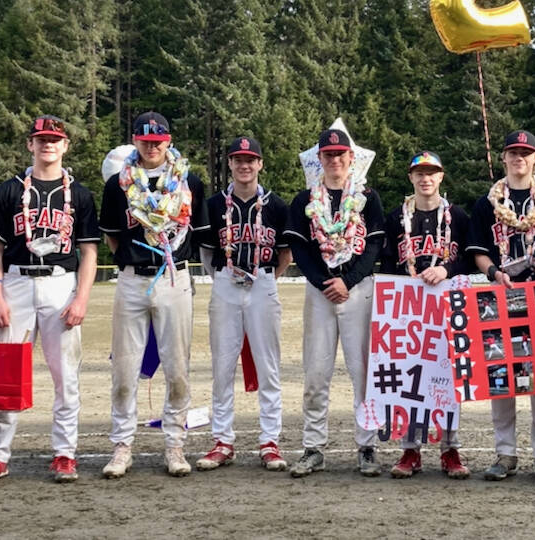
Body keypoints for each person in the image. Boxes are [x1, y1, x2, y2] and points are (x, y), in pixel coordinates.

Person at [0, 116, 100, 485]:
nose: (48, 145)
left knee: (66, 374)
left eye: (54, 139)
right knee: (5, 373)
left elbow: (89, 251)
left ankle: (65, 452)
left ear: (65, 146)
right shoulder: (9, 190)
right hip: (16, 281)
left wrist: (81, 298)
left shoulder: (79, 194)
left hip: (60, 283)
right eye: (41, 139)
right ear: (30, 144)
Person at [99, 111, 209, 479]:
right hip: (132, 279)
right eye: (145, 141)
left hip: (174, 278)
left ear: (168, 141)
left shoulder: (189, 181)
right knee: (125, 368)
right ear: (135, 141)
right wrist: (131, 260)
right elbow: (113, 236)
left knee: (177, 368)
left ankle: (175, 443)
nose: (151, 147)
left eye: (157, 141)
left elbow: (199, 232)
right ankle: (122, 445)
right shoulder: (118, 184)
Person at [468, 130, 535, 485]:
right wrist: (494, 273)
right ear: (503, 158)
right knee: (502, 376)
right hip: (501, 295)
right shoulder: (487, 204)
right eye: (512, 152)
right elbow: (479, 250)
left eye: (525, 153)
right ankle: (505, 453)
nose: (519, 158)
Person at [284, 127, 385, 477]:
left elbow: (374, 246)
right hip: (320, 291)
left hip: (358, 290)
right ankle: (313, 447)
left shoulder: (368, 197)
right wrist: (324, 282)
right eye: (328, 155)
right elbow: (300, 248)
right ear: (320, 158)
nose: (335, 160)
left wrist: (349, 280)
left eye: (340, 154)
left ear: (350, 157)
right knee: (316, 372)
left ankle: (367, 446)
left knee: (363, 371)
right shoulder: (305, 199)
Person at [196, 136, 292, 473]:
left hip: (262, 281)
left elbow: (285, 253)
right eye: (238, 160)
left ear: (260, 164)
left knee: (268, 365)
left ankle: (270, 440)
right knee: (223, 366)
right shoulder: (213, 204)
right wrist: (223, 279)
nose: (244, 165)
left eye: (250, 160)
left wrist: (266, 279)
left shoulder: (277, 205)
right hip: (225, 283)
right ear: (230, 164)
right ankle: (222, 440)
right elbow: (206, 252)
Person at [379, 151, 473, 480]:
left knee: (448, 376)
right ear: (411, 178)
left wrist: (446, 269)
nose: (425, 178)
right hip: (408, 308)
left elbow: (470, 258)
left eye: (431, 172)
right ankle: (411, 449)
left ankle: (450, 448)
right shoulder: (396, 217)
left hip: (447, 302)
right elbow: (387, 263)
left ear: (441, 176)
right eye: (419, 173)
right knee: (410, 378)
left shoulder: (457, 216)